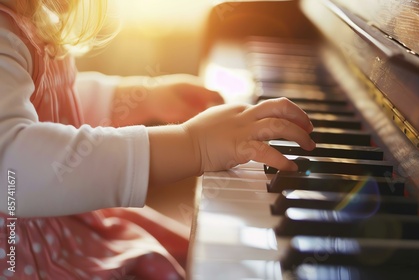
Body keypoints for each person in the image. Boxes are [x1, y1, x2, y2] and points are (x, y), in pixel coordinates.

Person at [0, 0, 315, 279]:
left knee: (200, 257)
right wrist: (192, 144)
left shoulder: (25, 15)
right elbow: (14, 168)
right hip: (24, 257)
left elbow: (43, 106)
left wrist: (137, 98)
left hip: (63, 229)